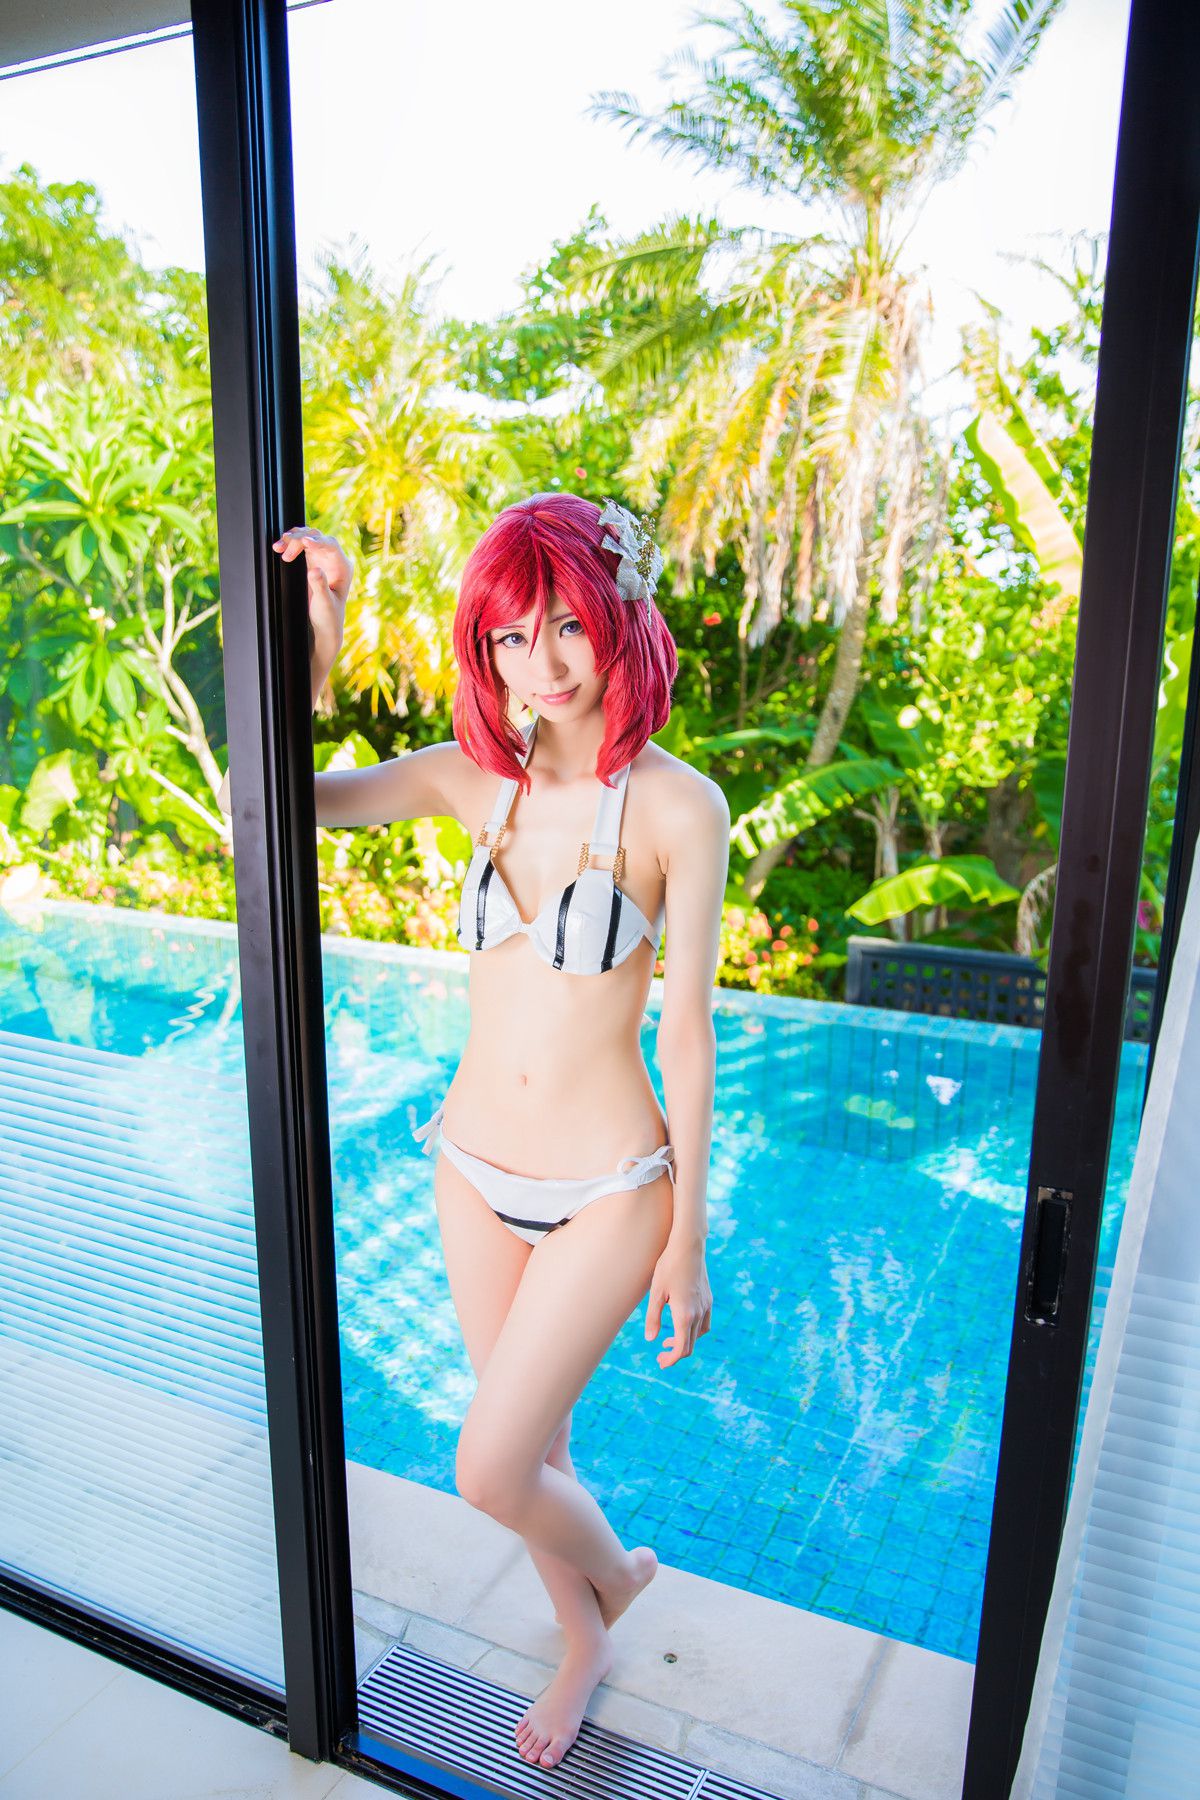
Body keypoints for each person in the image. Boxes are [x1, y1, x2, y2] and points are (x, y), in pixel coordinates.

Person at [230, 492, 727, 1770]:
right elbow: (274, 794)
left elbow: (685, 1034)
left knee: (489, 1469)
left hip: (611, 1185)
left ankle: (616, 1578)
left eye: (566, 625)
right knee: (534, 1446)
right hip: (470, 1171)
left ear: (619, 618)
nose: (542, 661)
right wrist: (322, 641)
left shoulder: (678, 807)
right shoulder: (475, 779)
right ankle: (584, 1638)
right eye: (511, 635)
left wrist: (688, 1238)